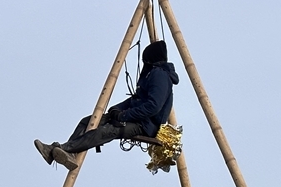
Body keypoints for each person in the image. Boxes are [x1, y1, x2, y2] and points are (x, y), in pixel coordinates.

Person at [34, 39, 179, 171]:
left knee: (107, 130)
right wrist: (116, 109)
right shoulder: (150, 74)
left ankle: (64, 149)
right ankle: (66, 153)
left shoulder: (159, 75)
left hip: (146, 126)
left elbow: (153, 106)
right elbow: (136, 99)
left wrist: (123, 115)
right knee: (87, 121)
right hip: (135, 118)